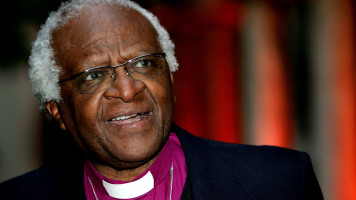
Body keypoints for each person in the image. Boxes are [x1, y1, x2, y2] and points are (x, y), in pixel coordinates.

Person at [0, 0, 323, 199]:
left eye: (144, 64)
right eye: (93, 75)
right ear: (58, 110)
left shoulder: (279, 183)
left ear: (169, 79)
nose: (127, 90)